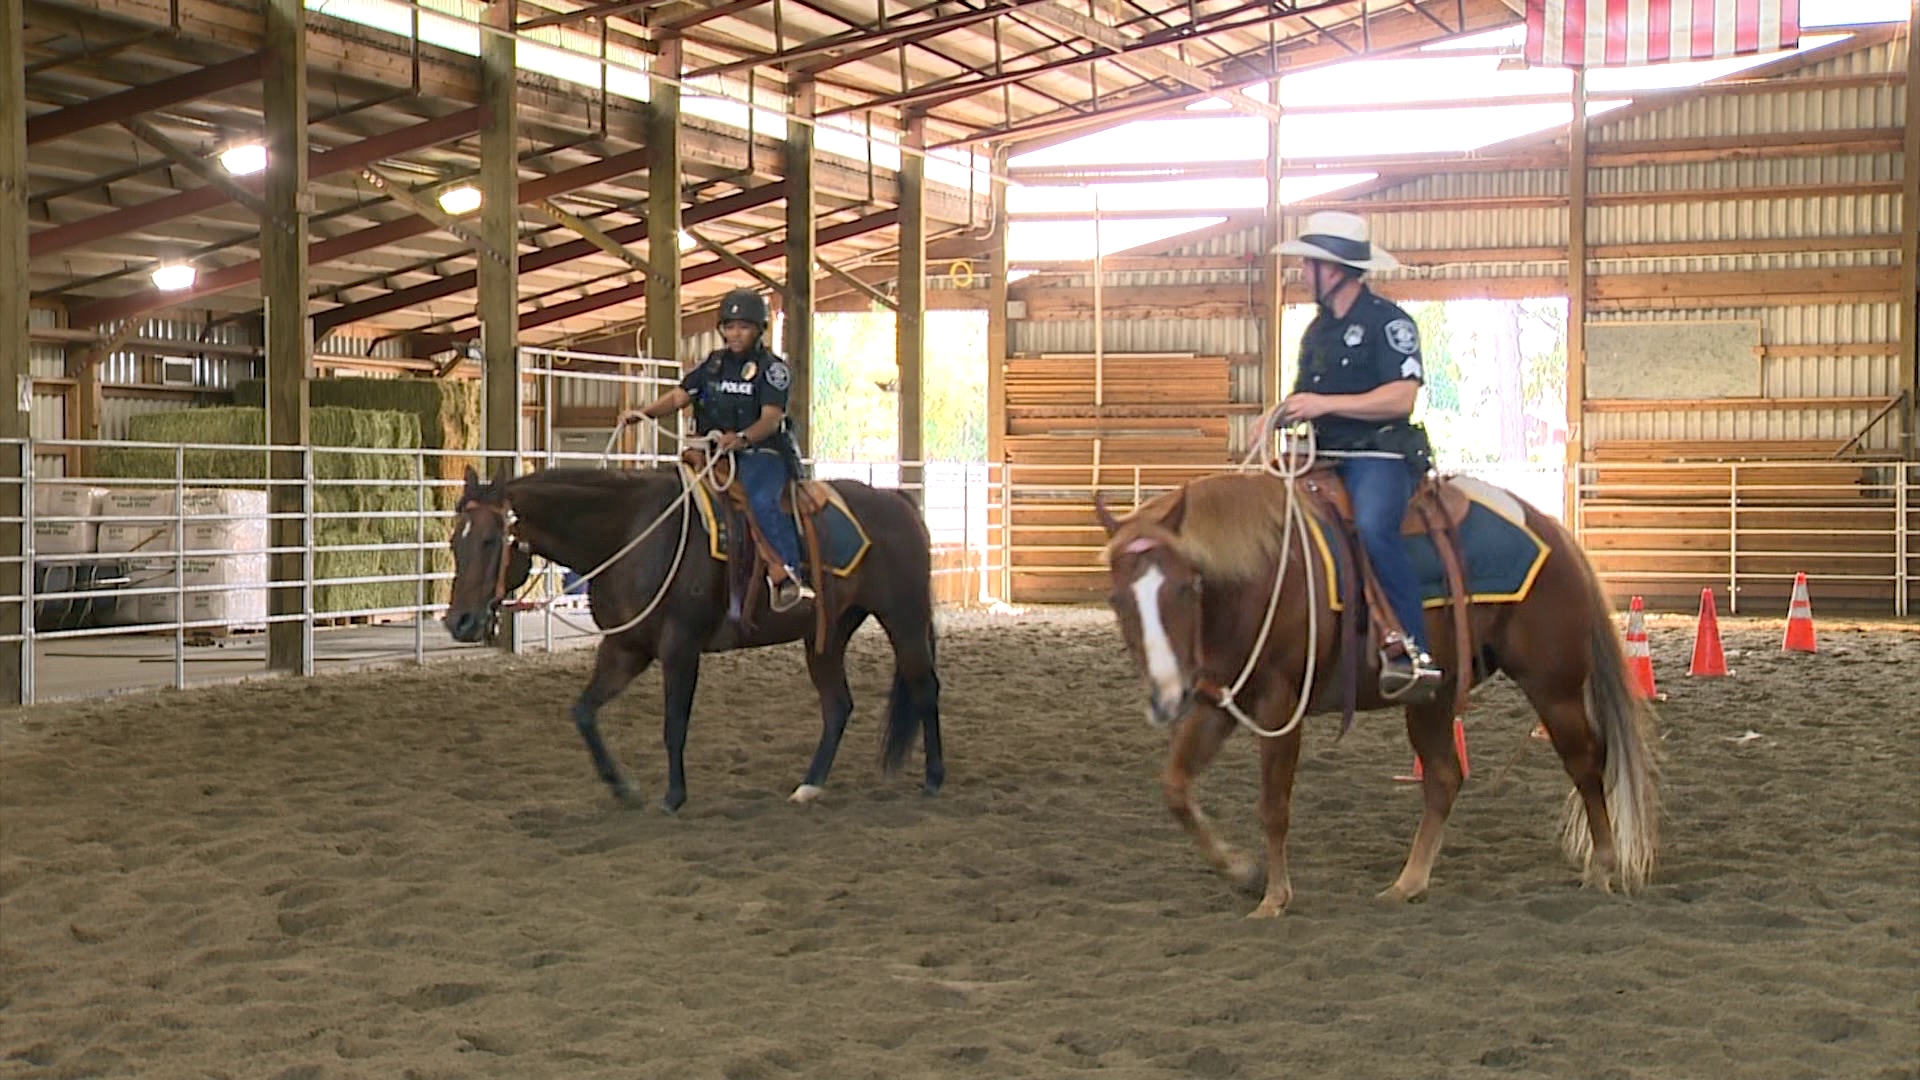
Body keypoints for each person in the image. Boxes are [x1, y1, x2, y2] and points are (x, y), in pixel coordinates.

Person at [1273, 210, 1441, 702]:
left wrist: (1325, 405)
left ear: (1338, 270)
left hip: (1380, 456)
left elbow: (1401, 398)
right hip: (1320, 456)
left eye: (1310, 264)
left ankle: (1412, 648)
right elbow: (1305, 395)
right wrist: (1278, 414)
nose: (1303, 274)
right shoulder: (1316, 332)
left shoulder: (1391, 324)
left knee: (1372, 527)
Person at [622, 288, 811, 613]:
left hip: (761, 453)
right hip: (713, 455)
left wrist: (742, 438)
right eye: (730, 326)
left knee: (763, 501)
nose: (735, 333)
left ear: (758, 329)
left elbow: (770, 418)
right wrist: (643, 413)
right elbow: (680, 396)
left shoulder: (773, 370)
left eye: (744, 326)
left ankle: (787, 572)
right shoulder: (712, 365)